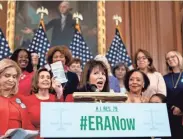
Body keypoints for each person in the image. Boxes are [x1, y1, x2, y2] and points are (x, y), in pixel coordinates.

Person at [0, 59, 35, 135]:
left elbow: (28, 125)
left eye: (14, 76)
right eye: (7, 75)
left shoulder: (20, 99)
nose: (11, 80)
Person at [23, 68, 63, 133]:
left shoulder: (57, 98)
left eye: (48, 77)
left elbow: (60, 120)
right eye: (42, 77)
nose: (46, 79)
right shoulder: (27, 100)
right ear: (36, 81)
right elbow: (26, 124)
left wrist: (59, 93)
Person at [164, 50, 183, 139]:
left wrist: (181, 108)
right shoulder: (165, 78)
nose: (170, 59)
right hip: (170, 116)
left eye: (173, 57)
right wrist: (172, 107)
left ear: (179, 57)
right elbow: (163, 96)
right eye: (168, 59)